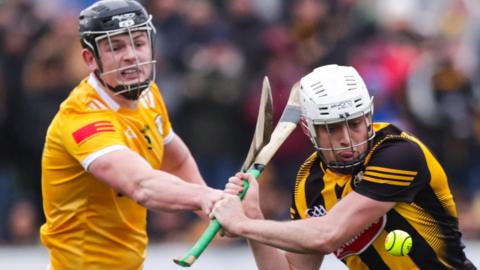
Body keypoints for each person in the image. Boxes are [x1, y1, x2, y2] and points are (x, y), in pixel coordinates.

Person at [212, 64, 476, 269]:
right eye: (333, 128)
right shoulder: (309, 182)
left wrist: (242, 225)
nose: (347, 139)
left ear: (368, 117)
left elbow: (328, 234)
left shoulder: (398, 155)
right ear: (310, 130)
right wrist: (253, 217)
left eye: (354, 124)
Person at [40, 1, 222, 269]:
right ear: (90, 59)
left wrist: (211, 210)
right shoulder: (82, 118)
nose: (131, 56)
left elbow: (176, 162)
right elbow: (142, 185)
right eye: (116, 47)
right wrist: (209, 199)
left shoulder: (148, 95)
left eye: (138, 43)